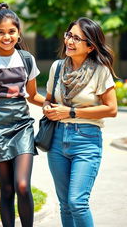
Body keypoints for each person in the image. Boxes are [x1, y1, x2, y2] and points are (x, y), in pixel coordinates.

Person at [0, 2, 44, 227]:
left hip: (22, 125)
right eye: (0, 32)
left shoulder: (27, 59)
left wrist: (55, 104)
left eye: (11, 31)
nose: (6, 37)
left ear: (19, 32)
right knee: (8, 189)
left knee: (22, 185)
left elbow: (32, 95)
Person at [43, 17, 118, 227]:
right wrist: (48, 107)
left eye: (77, 38)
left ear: (90, 46)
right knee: (65, 204)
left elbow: (111, 109)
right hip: (57, 140)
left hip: (86, 140)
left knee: (77, 202)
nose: (70, 41)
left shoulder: (100, 70)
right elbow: (48, 99)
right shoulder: (57, 68)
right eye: (69, 35)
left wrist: (72, 112)